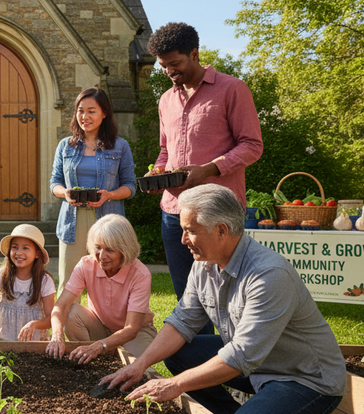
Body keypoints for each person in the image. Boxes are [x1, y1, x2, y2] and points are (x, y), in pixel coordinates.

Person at [101, 184, 347, 414]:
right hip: (257, 365)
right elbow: (182, 321)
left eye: (190, 230)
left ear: (221, 230)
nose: (183, 240)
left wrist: (174, 384)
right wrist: (140, 364)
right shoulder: (204, 263)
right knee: (180, 353)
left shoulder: (268, 275)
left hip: (305, 378)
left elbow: (242, 355)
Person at [146, 23, 263, 325]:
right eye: (163, 66)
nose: (169, 71)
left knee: (226, 295)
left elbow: (252, 146)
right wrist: (158, 174)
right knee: (186, 297)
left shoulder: (232, 89)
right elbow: (165, 150)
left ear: (194, 54)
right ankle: (195, 362)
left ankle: (232, 360)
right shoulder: (165, 100)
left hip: (217, 214)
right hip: (173, 212)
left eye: (175, 63)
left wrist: (210, 169)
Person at [50, 87, 136, 296]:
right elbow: (54, 183)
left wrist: (110, 194)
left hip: (108, 221)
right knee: (69, 285)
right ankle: (65, 327)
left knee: (110, 285)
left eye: (91, 111)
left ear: (104, 113)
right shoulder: (65, 146)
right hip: (73, 221)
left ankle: (107, 328)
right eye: (80, 110)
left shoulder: (120, 146)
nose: (84, 116)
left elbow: (130, 186)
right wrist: (65, 193)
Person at [44, 214, 157, 362]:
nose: (102, 256)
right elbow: (62, 305)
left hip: (136, 333)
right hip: (101, 326)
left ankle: (100, 351)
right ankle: (92, 356)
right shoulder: (86, 264)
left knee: (135, 369)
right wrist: (57, 336)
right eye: (98, 247)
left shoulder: (140, 274)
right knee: (72, 311)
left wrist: (100, 345)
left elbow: (131, 328)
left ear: (125, 250)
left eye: (110, 250)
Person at [0, 224, 56, 341]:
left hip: (33, 343)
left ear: (37, 254)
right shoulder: (3, 275)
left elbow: (52, 318)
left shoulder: (44, 281)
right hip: (2, 339)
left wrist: (34, 324)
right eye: (15, 247)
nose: (19, 252)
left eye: (25, 248)